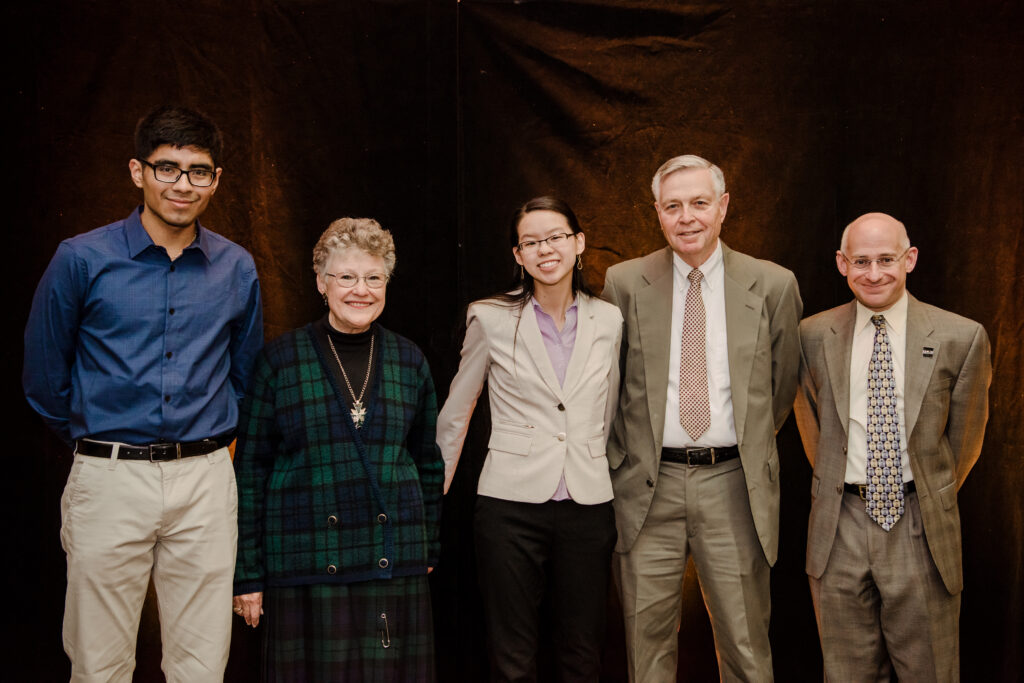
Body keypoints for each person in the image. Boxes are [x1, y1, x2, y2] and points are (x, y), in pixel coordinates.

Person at [22, 105, 263, 681]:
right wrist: (101, 439)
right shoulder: (82, 258)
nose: (183, 184)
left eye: (198, 171)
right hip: (108, 477)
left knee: (202, 664)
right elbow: (43, 378)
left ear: (217, 179)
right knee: (99, 662)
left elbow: (245, 375)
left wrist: (209, 442)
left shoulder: (236, 267)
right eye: (167, 167)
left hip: (204, 480)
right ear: (137, 171)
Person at [602, 155, 802, 681]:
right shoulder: (623, 283)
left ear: (723, 207)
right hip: (648, 487)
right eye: (673, 206)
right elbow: (612, 385)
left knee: (745, 645)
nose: (686, 217)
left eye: (698, 203)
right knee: (645, 650)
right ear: (657, 213)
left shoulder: (772, 285)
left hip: (733, 485)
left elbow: (780, 390)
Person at [232, 217, 442, 682]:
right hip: (302, 562)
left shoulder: (410, 360)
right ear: (321, 283)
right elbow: (249, 473)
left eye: (373, 277)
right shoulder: (279, 361)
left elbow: (428, 462)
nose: (360, 290)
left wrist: (427, 545)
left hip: (390, 559)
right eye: (346, 276)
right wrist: (248, 575)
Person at [793, 212, 991, 681]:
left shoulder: (960, 337)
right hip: (838, 528)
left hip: (919, 526)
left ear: (911, 259)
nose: (875, 273)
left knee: (930, 670)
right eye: (862, 261)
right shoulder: (813, 335)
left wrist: (925, 492)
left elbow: (964, 441)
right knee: (845, 672)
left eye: (887, 259)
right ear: (842, 264)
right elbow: (813, 431)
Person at [437, 197, 622, 681]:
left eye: (556, 237)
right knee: (513, 653)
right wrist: (428, 502)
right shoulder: (490, 317)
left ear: (578, 243)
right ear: (518, 256)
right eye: (531, 242)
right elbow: (457, 414)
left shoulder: (610, 320)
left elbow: (608, 408)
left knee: (583, 651)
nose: (546, 249)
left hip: (588, 504)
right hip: (509, 506)